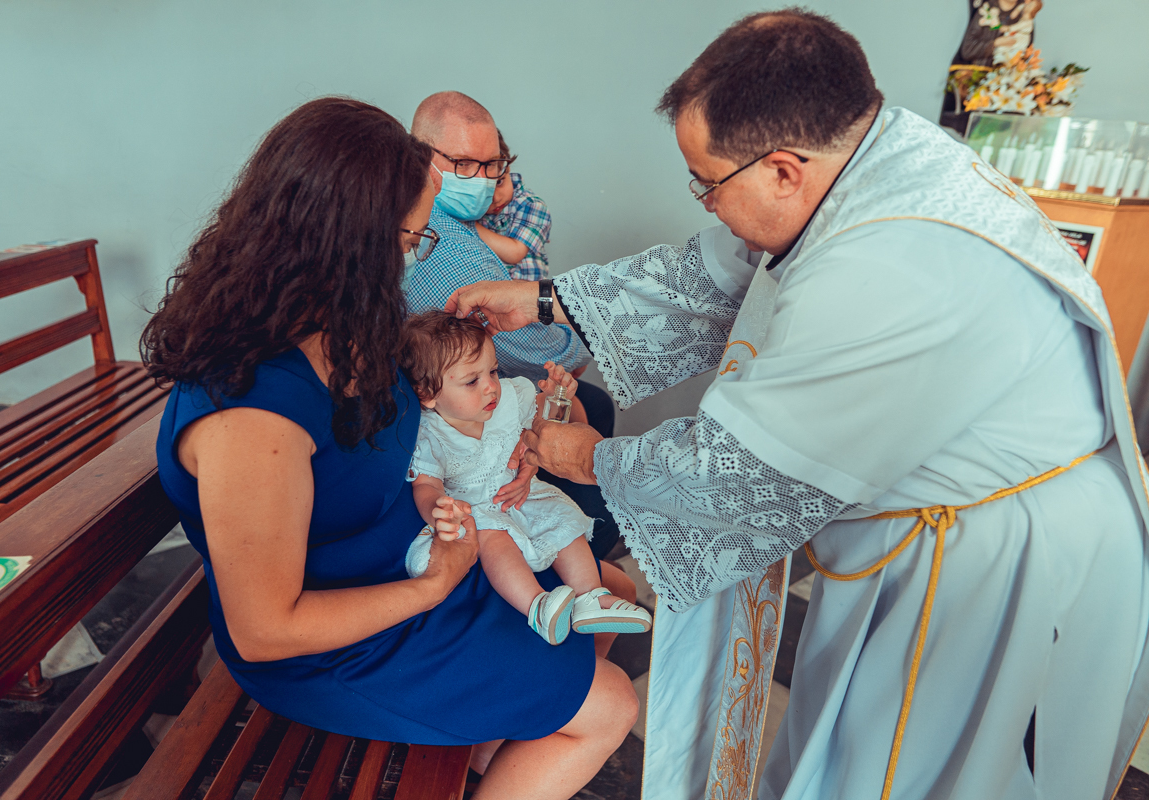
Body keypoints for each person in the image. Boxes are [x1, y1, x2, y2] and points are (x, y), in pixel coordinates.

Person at [447, 10, 1149, 800]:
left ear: (783, 169)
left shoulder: (892, 263)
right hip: (928, 528)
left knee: (915, 773)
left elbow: (740, 474)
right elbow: (715, 276)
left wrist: (590, 458)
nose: (704, 204)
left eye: (707, 183)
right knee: (851, 755)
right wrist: (545, 300)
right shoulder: (873, 160)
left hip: (988, 558)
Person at [141, 96, 638, 799]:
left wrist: (512, 445)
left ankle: (483, 743)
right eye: (412, 240)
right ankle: (496, 733)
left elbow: (421, 432)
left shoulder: (348, 329)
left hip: (408, 554)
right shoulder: (252, 416)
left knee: (611, 590)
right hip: (337, 638)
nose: (416, 255)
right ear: (351, 244)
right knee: (611, 703)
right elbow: (265, 630)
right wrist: (432, 585)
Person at [407, 90, 622, 558]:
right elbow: (542, 353)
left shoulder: (472, 225)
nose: (483, 180)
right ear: (421, 156)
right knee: (587, 424)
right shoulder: (445, 245)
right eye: (465, 164)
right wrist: (567, 343)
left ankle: (590, 556)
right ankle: (588, 549)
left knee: (590, 406)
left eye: (493, 166)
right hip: (472, 406)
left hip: (501, 382)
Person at [398, 311, 651, 645]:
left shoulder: (509, 397)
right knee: (494, 540)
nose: (490, 386)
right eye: (472, 381)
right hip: (475, 511)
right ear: (428, 394)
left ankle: (590, 597)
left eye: (492, 371)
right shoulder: (428, 434)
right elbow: (426, 484)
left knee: (563, 520)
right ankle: (537, 606)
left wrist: (559, 396)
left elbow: (548, 418)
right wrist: (439, 511)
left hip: (522, 496)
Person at [477, 131, 553, 282]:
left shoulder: (531, 205)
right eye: (483, 191)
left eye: (499, 182)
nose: (496, 198)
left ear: (507, 169)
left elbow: (515, 252)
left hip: (527, 290)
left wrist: (470, 226)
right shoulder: (476, 209)